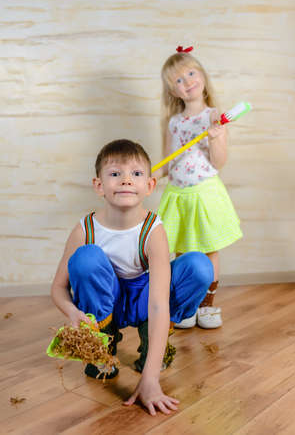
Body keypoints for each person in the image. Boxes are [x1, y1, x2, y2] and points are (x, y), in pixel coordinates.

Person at [51, 138, 213, 416]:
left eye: (136, 174)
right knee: (86, 258)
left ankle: (154, 344)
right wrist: (71, 312)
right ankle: (103, 343)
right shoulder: (85, 228)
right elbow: (58, 288)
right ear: (99, 185)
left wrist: (150, 380)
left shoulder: (153, 229)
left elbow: (159, 300)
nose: (126, 180)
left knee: (199, 266)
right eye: (115, 174)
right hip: (107, 299)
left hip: (145, 298)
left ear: (149, 185)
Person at [156, 46, 243, 330]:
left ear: (202, 77)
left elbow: (218, 162)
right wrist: (152, 176)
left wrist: (217, 137)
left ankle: (207, 305)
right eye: (178, 80)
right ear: (174, 92)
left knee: (209, 250)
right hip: (178, 195)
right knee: (182, 251)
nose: (188, 81)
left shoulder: (213, 117)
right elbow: (169, 162)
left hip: (204, 193)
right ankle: (187, 304)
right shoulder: (174, 122)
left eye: (191, 73)